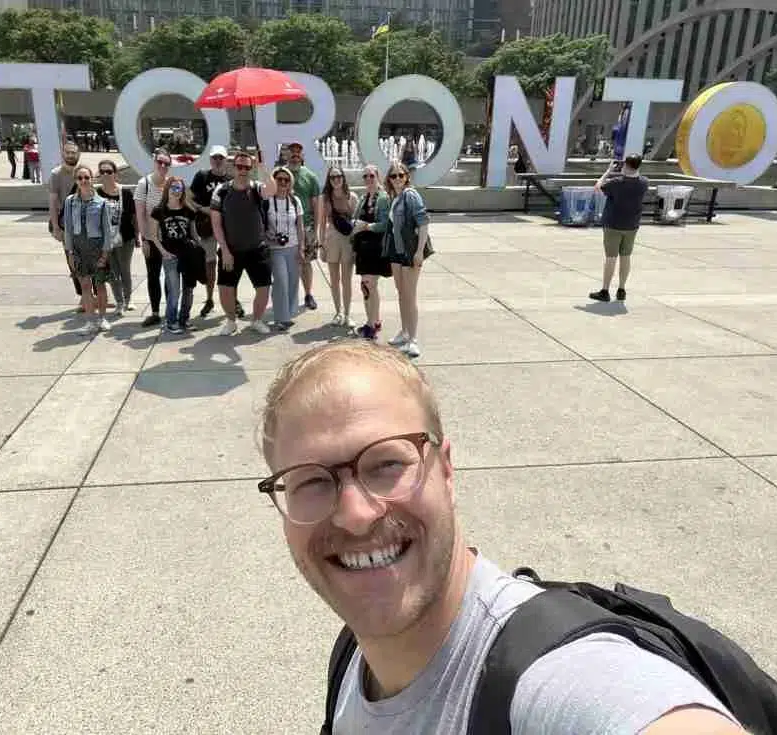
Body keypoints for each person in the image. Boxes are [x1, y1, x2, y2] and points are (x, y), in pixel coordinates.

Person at [257, 340, 749, 735]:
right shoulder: (353, 658)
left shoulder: (559, 678)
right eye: (312, 481)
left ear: (446, 471)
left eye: (387, 464)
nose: (357, 515)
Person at [209, 149, 277, 336]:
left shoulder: (256, 187)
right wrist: (224, 249)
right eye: (239, 166)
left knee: (263, 288)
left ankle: (256, 320)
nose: (243, 170)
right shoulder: (221, 191)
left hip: (257, 249)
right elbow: (216, 223)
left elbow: (272, 189)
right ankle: (231, 321)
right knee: (226, 289)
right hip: (230, 249)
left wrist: (262, 168)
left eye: (247, 167)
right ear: (233, 166)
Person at [383, 160, 430, 359]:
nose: (397, 179)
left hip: (410, 251)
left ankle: (413, 339)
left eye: (401, 175)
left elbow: (423, 223)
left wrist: (419, 251)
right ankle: (404, 333)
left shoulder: (411, 195)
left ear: (406, 177)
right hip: (396, 249)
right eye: (393, 176)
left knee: (410, 295)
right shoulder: (395, 197)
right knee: (402, 293)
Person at [590, 154, 649, 303]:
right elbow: (637, 175)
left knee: (611, 258)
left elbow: (598, 187)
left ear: (626, 166)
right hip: (632, 225)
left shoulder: (616, 182)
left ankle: (605, 290)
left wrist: (608, 171)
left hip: (613, 224)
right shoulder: (644, 182)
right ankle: (621, 289)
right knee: (626, 257)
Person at [63, 165, 114, 334]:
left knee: (99, 285)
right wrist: (69, 251)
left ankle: (102, 318)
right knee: (85, 285)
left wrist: (105, 253)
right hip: (79, 248)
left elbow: (108, 230)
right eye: (80, 178)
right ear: (76, 181)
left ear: (92, 179)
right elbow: (68, 229)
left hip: (97, 247)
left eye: (86, 177)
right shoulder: (70, 202)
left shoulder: (102, 203)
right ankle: (90, 321)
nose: (84, 181)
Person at [188, 145, 237, 319]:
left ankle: (233, 299)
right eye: (215, 158)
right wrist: (202, 209)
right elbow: (188, 197)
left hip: (227, 227)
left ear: (226, 160)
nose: (217, 161)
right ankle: (209, 299)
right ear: (210, 160)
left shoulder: (231, 178)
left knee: (230, 263)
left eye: (220, 158)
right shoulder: (202, 176)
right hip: (207, 226)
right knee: (210, 263)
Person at [150, 176, 201, 334]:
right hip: (170, 255)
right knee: (174, 291)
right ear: (167, 189)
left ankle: (184, 319)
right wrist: (164, 253)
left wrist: (199, 250)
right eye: (173, 187)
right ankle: (171, 321)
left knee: (188, 289)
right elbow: (153, 235)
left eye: (179, 188)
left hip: (187, 254)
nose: (176, 191)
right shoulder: (159, 210)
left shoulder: (189, 210)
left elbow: (194, 234)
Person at [351, 164, 391, 341]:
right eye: (365, 176)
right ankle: (374, 320)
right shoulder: (363, 197)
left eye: (371, 176)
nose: (368, 179)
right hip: (363, 248)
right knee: (366, 286)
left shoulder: (383, 198)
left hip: (376, 248)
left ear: (378, 176)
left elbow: (385, 224)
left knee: (369, 285)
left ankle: (371, 324)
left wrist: (366, 226)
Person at [134, 148, 172, 328]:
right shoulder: (144, 184)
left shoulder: (171, 184)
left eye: (166, 163)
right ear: (154, 162)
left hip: (170, 239)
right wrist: (144, 239)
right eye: (160, 162)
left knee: (171, 276)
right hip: (151, 238)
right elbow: (139, 214)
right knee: (153, 275)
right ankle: (155, 312)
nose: (163, 166)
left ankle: (170, 311)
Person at [265, 166, 306, 331]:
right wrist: (268, 237)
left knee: (293, 281)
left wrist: (302, 247)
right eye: (279, 179)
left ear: (290, 183)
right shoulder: (267, 200)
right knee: (281, 281)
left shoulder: (295, 201)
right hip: (275, 248)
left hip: (293, 246)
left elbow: (300, 226)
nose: (282, 182)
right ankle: (281, 317)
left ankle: (289, 313)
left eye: (286, 180)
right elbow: (261, 224)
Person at [317, 166, 359, 329]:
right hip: (331, 239)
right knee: (334, 280)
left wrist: (356, 245)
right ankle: (338, 312)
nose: (336, 180)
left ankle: (347, 314)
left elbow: (356, 223)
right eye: (333, 177)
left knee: (346, 280)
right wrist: (320, 245)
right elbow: (321, 223)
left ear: (343, 178)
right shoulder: (325, 199)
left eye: (339, 176)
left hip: (348, 241)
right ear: (329, 180)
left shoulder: (352, 197)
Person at [95, 159, 137, 315]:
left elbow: (134, 217)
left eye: (109, 171)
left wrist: (137, 236)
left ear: (115, 174)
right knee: (113, 271)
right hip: (106, 240)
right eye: (103, 172)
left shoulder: (125, 193)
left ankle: (128, 299)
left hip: (126, 237)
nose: (106, 174)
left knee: (124, 269)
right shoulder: (96, 194)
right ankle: (119, 302)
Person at [287, 142, 322, 311]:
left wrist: (316, 231)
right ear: (286, 154)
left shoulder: (311, 177)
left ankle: (308, 294)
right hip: (284, 227)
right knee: (287, 263)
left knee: (306, 262)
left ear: (302, 155)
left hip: (306, 226)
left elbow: (316, 206)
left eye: (298, 151)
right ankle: (290, 296)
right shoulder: (279, 174)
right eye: (291, 151)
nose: (295, 154)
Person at [49, 142, 84, 305]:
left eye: (74, 153)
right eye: (68, 152)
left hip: (84, 223)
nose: (71, 155)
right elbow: (53, 201)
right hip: (66, 224)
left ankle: (96, 294)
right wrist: (56, 227)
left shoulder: (82, 172)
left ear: (79, 154)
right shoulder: (56, 174)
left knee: (90, 258)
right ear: (63, 154)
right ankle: (83, 295)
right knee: (72, 260)